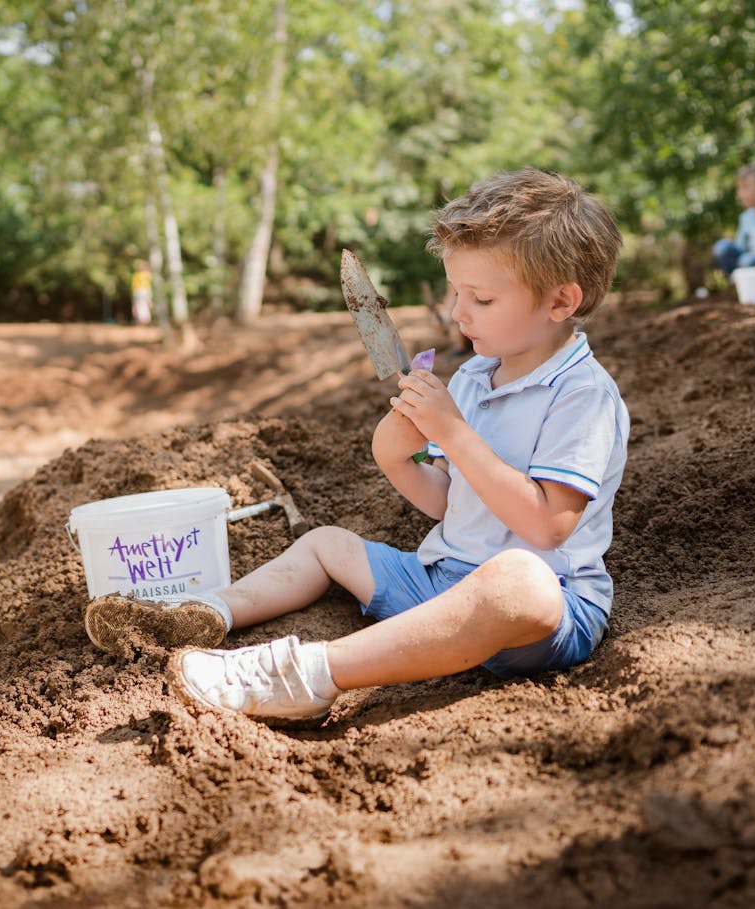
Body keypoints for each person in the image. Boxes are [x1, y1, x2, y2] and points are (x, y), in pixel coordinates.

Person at [84, 168, 628, 724]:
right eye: (455, 292)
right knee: (324, 544)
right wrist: (394, 452)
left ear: (561, 301)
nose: (459, 314)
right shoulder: (471, 378)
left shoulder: (582, 396)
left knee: (520, 581)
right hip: (439, 584)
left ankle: (310, 674)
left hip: (539, 611)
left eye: (482, 299)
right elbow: (451, 504)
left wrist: (455, 434)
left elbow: (547, 527)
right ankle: (205, 612)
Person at [130, 260, 153, 325]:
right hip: (144, 291)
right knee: (144, 306)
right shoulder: (147, 275)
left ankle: (142, 320)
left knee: (141, 306)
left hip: (139, 291)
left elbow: (134, 287)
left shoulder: (136, 275)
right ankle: (144, 320)